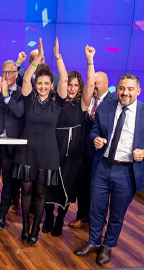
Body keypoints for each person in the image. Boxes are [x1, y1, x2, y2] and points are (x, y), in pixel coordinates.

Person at [74, 74, 144, 266]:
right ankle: (94, 242)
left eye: (130, 89)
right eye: (122, 88)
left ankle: (108, 246)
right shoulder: (106, 106)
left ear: (138, 91)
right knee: (96, 208)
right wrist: (95, 138)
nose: (125, 93)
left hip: (127, 171)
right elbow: (94, 130)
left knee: (117, 214)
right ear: (117, 89)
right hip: (102, 166)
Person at [12, 37, 68, 245]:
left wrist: (57, 57)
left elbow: (64, 78)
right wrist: (38, 60)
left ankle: (36, 227)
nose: (42, 86)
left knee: (40, 191)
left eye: (46, 84)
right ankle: (26, 226)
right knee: (25, 189)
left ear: (51, 85)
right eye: (40, 83)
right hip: (27, 151)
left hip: (47, 152)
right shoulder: (29, 98)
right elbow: (25, 79)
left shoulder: (57, 102)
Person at [43, 46, 95, 237]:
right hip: (53, 149)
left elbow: (91, 83)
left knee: (67, 186)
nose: (72, 88)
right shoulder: (58, 100)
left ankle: (60, 218)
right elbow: (63, 77)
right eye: (69, 85)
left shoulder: (83, 104)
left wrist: (90, 60)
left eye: (76, 85)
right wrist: (58, 57)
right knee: (49, 184)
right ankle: (48, 216)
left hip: (73, 155)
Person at [69, 72, 116, 228]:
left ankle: (100, 223)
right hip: (82, 151)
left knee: (100, 193)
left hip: (100, 154)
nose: (94, 86)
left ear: (106, 83)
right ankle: (82, 216)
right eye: (92, 83)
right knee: (82, 187)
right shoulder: (86, 99)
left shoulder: (113, 102)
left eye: (97, 83)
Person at [0, 60, 24, 230]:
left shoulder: (22, 93)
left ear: (16, 73)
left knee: (7, 182)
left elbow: (19, 112)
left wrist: (6, 95)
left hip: (10, 144)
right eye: (4, 72)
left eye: (10, 72)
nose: (7, 75)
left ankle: (2, 214)